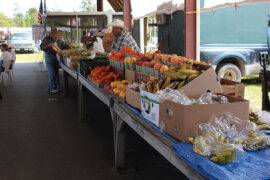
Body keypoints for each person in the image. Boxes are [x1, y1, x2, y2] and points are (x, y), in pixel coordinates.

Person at [40, 27, 61, 94]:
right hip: (48, 56)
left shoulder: (59, 40)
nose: (55, 36)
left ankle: (49, 86)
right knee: (51, 73)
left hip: (56, 56)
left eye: (56, 35)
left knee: (55, 72)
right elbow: (41, 47)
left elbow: (64, 46)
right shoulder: (47, 39)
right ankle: (53, 88)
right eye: (54, 35)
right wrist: (48, 45)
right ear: (51, 34)